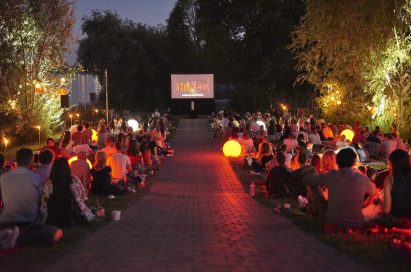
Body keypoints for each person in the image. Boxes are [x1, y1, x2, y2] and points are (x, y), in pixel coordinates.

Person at [304, 148, 376, 229]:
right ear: (354, 162)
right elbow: (374, 192)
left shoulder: (331, 175)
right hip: (356, 224)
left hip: (332, 223)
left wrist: (318, 180)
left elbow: (307, 180)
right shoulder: (361, 178)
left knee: (312, 185)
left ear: (337, 161)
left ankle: (315, 213)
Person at [41, 158, 95, 227]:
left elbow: (44, 202)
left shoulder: (48, 184)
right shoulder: (75, 180)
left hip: (54, 217)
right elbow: (83, 197)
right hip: (73, 216)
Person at [0, 148, 42, 225]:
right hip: (29, 220)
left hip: (6, 220)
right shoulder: (36, 177)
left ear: (16, 160)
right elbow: (40, 201)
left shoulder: (3, 177)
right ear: (31, 160)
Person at [383, 149, 411, 219]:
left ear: (393, 164)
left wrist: (380, 202)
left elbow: (386, 210)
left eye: (389, 163)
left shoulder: (389, 180)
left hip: (396, 220)